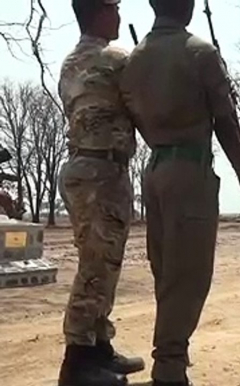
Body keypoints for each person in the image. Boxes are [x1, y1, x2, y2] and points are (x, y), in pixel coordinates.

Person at [120, 0, 240, 384]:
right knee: (190, 274)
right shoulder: (200, 53)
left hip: (155, 171)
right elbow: (226, 122)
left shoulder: (133, 60)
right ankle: (169, 367)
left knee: (166, 271)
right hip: (190, 171)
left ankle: (170, 360)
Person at [57, 1, 144, 385]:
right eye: (114, 7)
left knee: (102, 263)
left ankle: (99, 349)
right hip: (102, 172)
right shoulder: (115, 59)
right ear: (98, 14)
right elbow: (146, 97)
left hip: (82, 168)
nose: (120, 16)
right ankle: (77, 362)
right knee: (96, 268)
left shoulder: (69, 63)